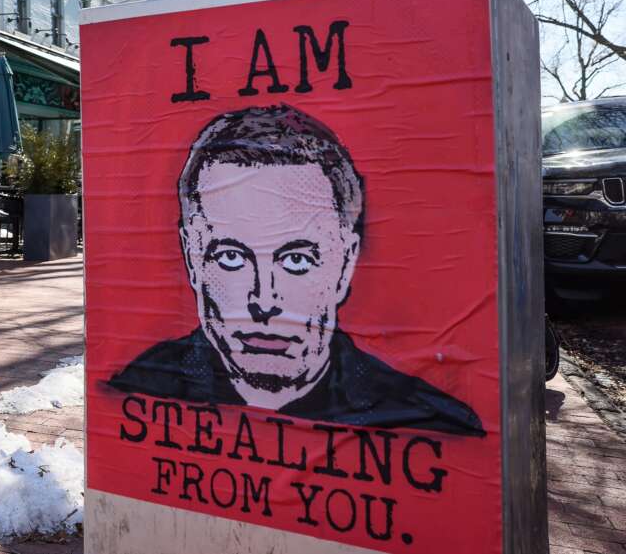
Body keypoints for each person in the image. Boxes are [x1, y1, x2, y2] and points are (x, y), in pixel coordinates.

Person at [109, 104, 484, 437]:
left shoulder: (427, 424)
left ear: (344, 264)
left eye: (297, 260)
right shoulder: (136, 390)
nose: (265, 302)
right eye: (231, 258)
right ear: (193, 259)